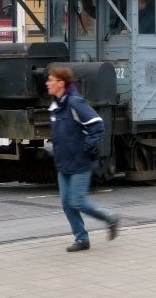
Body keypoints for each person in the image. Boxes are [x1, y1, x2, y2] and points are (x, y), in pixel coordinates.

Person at [46, 65, 119, 252]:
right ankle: (81, 239)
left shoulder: (74, 103)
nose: (48, 83)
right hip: (63, 163)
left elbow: (97, 125)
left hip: (80, 162)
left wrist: (86, 148)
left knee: (77, 201)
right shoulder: (56, 105)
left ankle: (110, 218)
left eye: (51, 80)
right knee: (66, 204)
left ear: (61, 83)